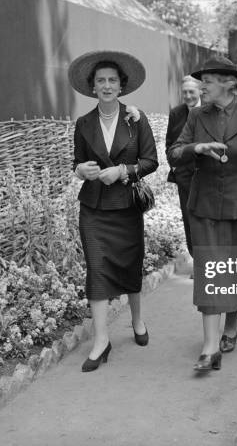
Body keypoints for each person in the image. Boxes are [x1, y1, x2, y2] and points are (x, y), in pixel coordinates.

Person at [167, 55, 237, 372]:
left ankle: (231, 325)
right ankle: (210, 347)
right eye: (201, 81)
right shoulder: (197, 116)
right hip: (204, 206)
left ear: (229, 83)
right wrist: (196, 149)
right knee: (211, 272)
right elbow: (174, 154)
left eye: (208, 81)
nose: (202, 87)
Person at [69, 50, 158, 372]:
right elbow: (76, 162)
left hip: (126, 207)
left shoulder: (136, 119)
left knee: (129, 265)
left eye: (112, 81)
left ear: (122, 86)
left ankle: (136, 320)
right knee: (96, 267)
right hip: (92, 207)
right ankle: (101, 341)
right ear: (92, 87)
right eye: (100, 81)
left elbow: (151, 162)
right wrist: (82, 170)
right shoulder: (84, 123)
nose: (106, 86)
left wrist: (122, 171)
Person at [165, 75, 201, 259]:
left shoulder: (210, 111)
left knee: (207, 220)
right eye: (184, 92)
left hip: (208, 175)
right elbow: (170, 144)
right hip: (185, 177)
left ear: (200, 91)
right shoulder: (176, 114)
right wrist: (176, 169)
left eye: (191, 92)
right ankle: (197, 260)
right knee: (189, 219)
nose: (187, 96)